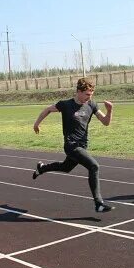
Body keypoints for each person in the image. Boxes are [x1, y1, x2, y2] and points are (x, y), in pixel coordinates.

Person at [32, 77, 114, 213]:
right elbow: (47, 110)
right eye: (87, 94)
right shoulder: (65, 104)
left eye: (91, 95)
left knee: (66, 167)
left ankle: (41, 168)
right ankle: (98, 203)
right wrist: (36, 124)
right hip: (71, 145)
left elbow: (105, 122)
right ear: (78, 91)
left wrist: (110, 110)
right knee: (94, 166)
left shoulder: (92, 105)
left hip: (82, 145)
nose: (89, 97)